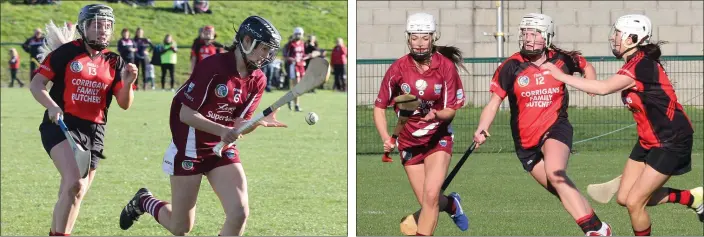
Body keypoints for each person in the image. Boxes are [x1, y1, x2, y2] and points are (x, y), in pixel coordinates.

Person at [118, 15, 286, 236]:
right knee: (181, 227)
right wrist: (223, 131)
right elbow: (186, 114)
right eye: (264, 49)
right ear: (247, 41)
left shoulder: (258, 79)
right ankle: (145, 201)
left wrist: (256, 123)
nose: (267, 56)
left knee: (239, 213)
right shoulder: (213, 67)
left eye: (269, 50)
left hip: (222, 148)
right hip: (189, 147)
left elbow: (238, 124)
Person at [540, 14, 703, 236]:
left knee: (636, 203)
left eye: (617, 34)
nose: (613, 38)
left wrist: (560, 75)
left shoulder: (641, 65)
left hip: (671, 140)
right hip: (648, 140)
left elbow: (603, 88)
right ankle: (693, 198)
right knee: (624, 198)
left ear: (632, 38)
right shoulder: (634, 62)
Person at [473, 13, 613, 236]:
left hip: (556, 127)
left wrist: (590, 84)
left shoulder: (562, 59)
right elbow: (494, 102)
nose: (529, 38)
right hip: (525, 142)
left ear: (547, 36)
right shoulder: (510, 66)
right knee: (561, 188)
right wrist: (481, 128)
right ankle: (600, 228)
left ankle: (591, 232)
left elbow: (585, 65)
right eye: (525, 33)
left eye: (535, 33)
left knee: (556, 174)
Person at [28, 4, 138, 236]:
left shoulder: (114, 62)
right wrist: (52, 106)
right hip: (61, 126)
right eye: (97, 25)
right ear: (83, 27)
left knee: (74, 193)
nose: (103, 30)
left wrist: (127, 83)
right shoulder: (66, 53)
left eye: (107, 25)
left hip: (94, 132)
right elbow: (37, 84)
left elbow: (124, 103)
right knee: (75, 184)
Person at [373, 12, 469, 236]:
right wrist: (386, 137)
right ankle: (452, 204)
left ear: (433, 38)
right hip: (408, 142)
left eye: (424, 37)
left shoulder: (445, 67)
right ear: (408, 38)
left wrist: (436, 115)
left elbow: (451, 110)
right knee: (429, 202)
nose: (419, 43)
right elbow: (379, 107)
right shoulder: (397, 69)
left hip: (438, 138)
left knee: (430, 197)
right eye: (414, 37)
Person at [285, 27, 306, 111]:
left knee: (298, 87)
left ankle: (289, 99)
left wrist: (304, 59)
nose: (298, 35)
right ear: (294, 34)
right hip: (293, 66)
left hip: (301, 66)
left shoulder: (302, 44)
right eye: (297, 34)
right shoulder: (290, 44)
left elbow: (303, 55)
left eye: (300, 34)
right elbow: (285, 56)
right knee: (297, 86)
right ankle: (296, 105)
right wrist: (292, 59)